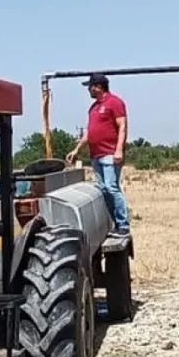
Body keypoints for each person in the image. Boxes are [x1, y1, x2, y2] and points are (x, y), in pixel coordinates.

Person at [67, 73, 131, 236]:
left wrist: (119, 150)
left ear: (98, 87)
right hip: (96, 155)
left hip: (110, 153)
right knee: (103, 189)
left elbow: (122, 126)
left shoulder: (114, 102)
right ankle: (113, 223)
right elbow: (89, 133)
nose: (88, 90)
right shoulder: (93, 108)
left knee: (111, 187)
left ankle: (123, 224)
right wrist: (77, 149)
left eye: (90, 86)